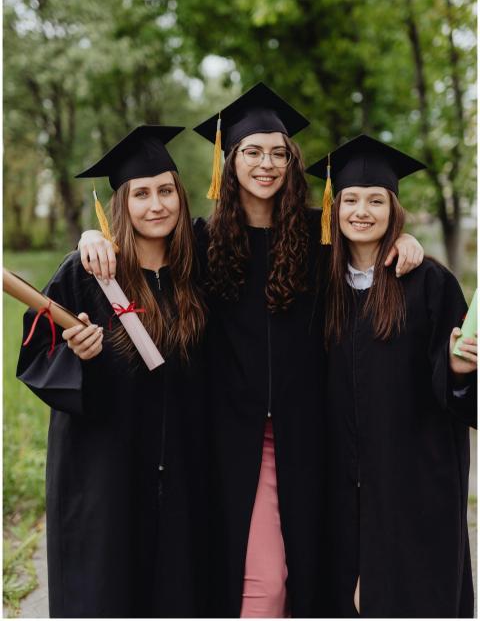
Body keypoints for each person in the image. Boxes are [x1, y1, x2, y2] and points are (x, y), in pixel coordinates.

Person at [78, 84, 424, 617]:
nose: (266, 164)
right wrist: (90, 237)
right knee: (262, 578)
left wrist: (405, 241)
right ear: (228, 160)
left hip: (314, 433)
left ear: (292, 160)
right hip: (230, 437)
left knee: (315, 564)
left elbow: (370, 249)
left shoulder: (321, 235)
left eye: (278, 152)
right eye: (252, 151)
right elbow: (142, 242)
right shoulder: (199, 240)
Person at [17, 126, 208, 618]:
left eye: (166, 190)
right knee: (105, 589)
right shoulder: (87, 273)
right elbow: (36, 352)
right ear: (120, 204)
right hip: (103, 471)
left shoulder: (199, 266)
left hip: (180, 468)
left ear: (180, 197)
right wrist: (76, 353)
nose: (156, 205)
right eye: (140, 194)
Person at [306, 134, 477, 618]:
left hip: (415, 483)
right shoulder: (316, 283)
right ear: (333, 208)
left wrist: (461, 371)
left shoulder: (430, 283)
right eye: (351, 200)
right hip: (336, 481)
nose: (362, 211)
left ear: (394, 209)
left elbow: (464, 396)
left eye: (376, 200)